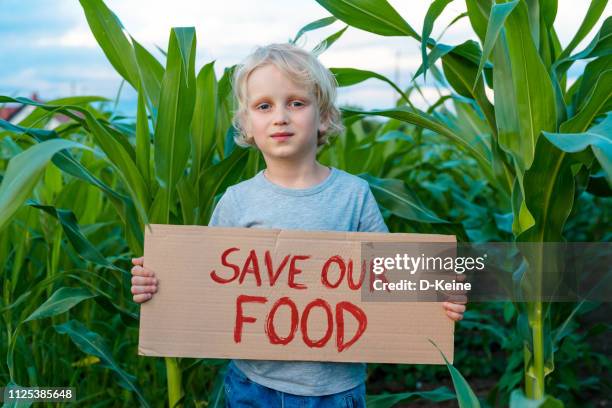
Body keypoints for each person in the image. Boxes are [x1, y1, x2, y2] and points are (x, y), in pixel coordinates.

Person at [130, 43, 467, 407]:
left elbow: (387, 281)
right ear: (246, 124)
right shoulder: (236, 201)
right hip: (253, 387)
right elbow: (204, 282)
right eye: (264, 106)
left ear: (323, 117)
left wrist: (438, 297)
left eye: (296, 103)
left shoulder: (354, 196)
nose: (280, 116)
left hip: (337, 389)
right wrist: (156, 283)